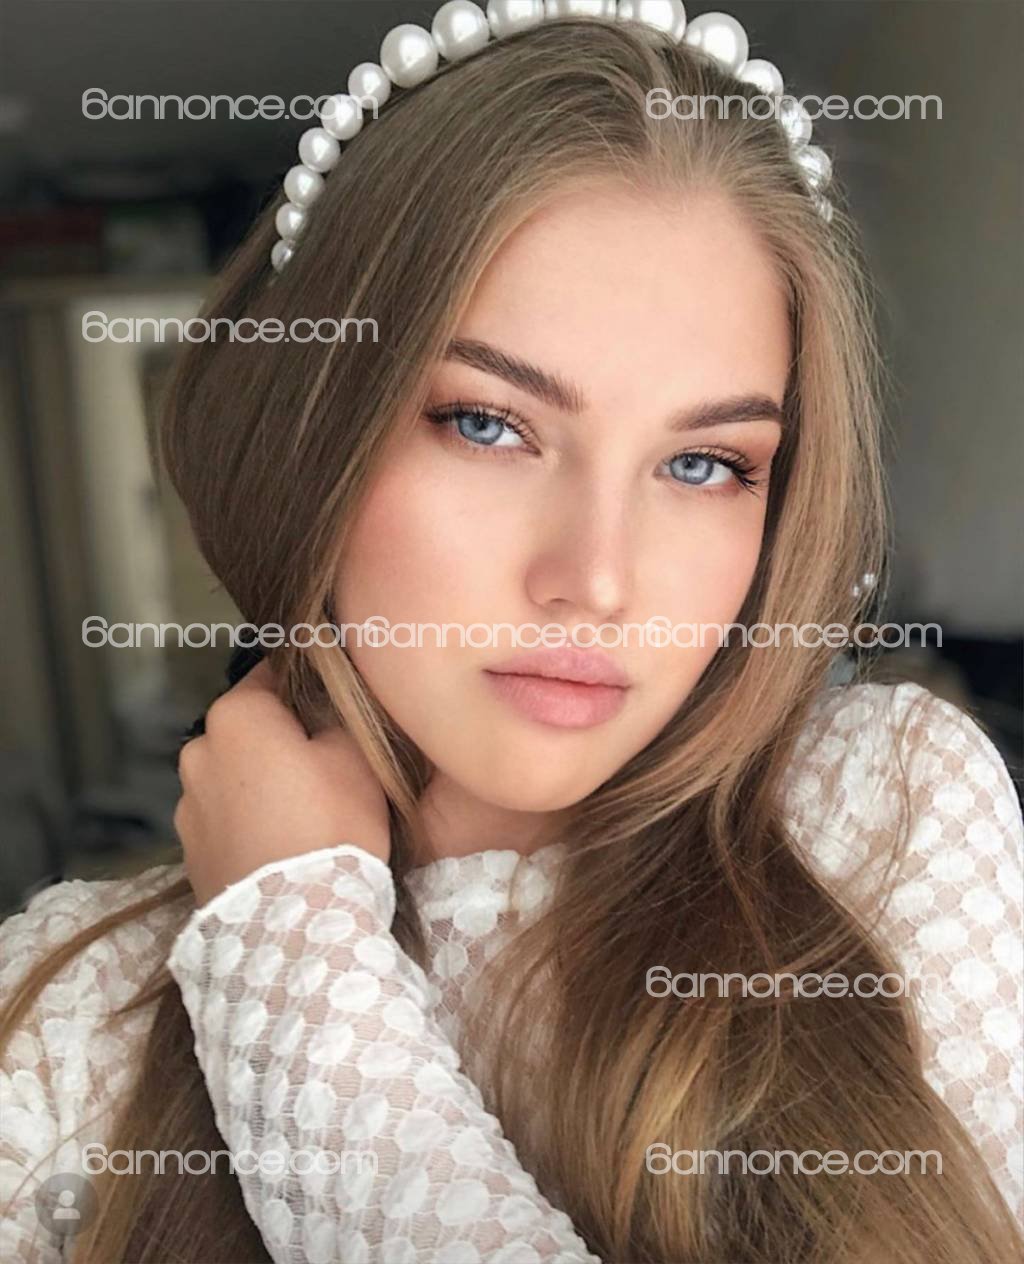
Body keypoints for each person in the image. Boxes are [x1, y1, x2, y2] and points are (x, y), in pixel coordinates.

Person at [2, 6, 1021, 1262]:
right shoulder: (68, 1019)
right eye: (486, 424)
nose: (594, 579)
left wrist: (288, 946)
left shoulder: (884, 810)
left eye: (704, 462)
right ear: (311, 432)